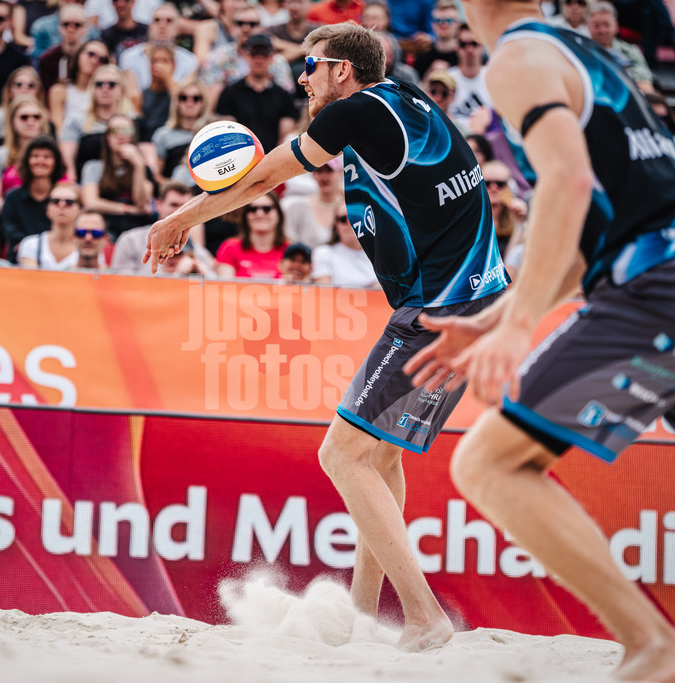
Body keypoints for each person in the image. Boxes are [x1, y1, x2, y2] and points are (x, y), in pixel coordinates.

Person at [403, 4, 675, 683]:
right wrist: (499, 319)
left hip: (668, 282)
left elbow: (570, 186)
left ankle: (652, 645)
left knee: (489, 463)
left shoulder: (518, 58)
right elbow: (588, 237)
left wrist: (518, 330)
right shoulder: (581, 50)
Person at [145, 22, 506, 650]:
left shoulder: (359, 111)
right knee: (378, 456)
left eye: (308, 66)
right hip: (476, 300)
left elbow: (262, 180)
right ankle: (362, 618)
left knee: (340, 455)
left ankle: (424, 615)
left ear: (342, 69)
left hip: (442, 310)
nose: (301, 78)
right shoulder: (405, 100)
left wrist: (176, 219)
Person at [215, 33, 299, 154]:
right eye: (254, 54)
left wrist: (273, 160)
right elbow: (228, 132)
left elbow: (285, 136)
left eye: (264, 54)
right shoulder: (230, 93)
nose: (259, 59)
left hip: (273, 159)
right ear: (246, 56)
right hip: (241, 158)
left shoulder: (283, 95)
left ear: (271, 57)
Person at [80, 113, 155, 238]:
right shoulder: (93, 167)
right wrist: (129, 209)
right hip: (105, 231)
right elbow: (91, 202)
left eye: (126, 130)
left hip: (137, 230)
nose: (121, 135)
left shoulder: (143, 168)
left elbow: (141, 202)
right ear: (107, 136)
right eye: (115, 130)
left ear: (133, 135)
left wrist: (138, 166)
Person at [199, 3, 295, 102]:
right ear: (231, 28)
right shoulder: (217, 58)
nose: (246, 28)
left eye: (252, 24)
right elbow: (208, 99)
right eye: (240, 23)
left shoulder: (277, 61)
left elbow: (287, 99)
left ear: (262, 29)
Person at [0, 135, 66, 259]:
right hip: (20, 261)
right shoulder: (12, 198)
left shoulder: (63, 198)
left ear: (56, 162)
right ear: (27, 161)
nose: (40, 161)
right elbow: (11, 234)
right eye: (35, 156)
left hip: (57, 259)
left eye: (47, 157)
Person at [110, 180, 195, 274]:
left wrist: (201, 275)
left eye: (185, 207)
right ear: (158, 204)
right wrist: (170, 276)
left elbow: (210, 277)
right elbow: (120, 282)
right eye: (174, 205)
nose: (179, 211)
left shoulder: (193, 245)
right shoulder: (130, 240)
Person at [0, 96, 52, 215]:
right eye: (24, 117)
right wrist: (16, 217)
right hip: (9, 220)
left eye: (36, 117)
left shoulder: (53, 155)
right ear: (12, 121)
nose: (30, 121)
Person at [118, 3, 199, 93]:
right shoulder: (129, 57)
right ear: (149, 26)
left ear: (177, 28)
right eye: (157, 20)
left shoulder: (189, 61)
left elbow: (187, 100)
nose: (162, 25)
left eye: (169, 21)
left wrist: (168, 80)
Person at [214, 192, 289, 279]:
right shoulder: (230, 248)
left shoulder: (291, 250)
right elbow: (225, 287)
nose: (259, 214)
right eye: (253, 209)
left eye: (267, 209)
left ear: (279, 215)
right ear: (245, 216)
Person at [151, 79, 211, 184]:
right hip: (175, 192)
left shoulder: (211, 133)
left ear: (203, 102)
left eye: (196, 98)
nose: (189, 103)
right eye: (183, 98)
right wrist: (177, 189)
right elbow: (156, 176)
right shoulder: (163, 134)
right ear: (177, 101)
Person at [587, 0, 653, 94]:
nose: (602, 30)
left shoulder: (630, 51)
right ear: (588, 27)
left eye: (607, 25)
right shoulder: (581, 50)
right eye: (596, 26)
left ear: (616, 27)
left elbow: (645, 82)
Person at [311, 201, 378, 287]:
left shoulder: (381, 255)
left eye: (354, 218)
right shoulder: (323, 253)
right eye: (343, 219)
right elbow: (324, 293)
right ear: (336, 225)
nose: (349, 224)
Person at [0, 66, 46, 152]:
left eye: (31, 85)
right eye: (18, 84)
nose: (24, 89)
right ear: (9, 90)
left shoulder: (45, 119)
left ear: (39, 90)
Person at [17, 182, 83, 269]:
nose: (61, 205)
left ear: (80, 209)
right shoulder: (31, 244)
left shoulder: (88, 247)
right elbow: (30, 280)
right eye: (55, 201)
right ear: (47, 208)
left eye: (69, 202)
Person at [280, 157, 343, 247]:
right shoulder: (297, 207)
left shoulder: (349, 207)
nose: (324, 177)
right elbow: (290, 244)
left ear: (340, 172)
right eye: (319, 171)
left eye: (329, 171)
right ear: (313, 175)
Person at [38, 4, 93, 94]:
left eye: (77, 25)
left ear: (86, 28)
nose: (71, 29)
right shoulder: (47, 60)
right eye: (66, 24)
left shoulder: (94, 57)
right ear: (59, 27)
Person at [446, 24, 492, 130]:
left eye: (474, 43)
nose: (469, 49)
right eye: (463, 44)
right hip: (456, 137)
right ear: (456, 47)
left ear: (482, 45)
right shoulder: (447, 78)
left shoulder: (492, 77)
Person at [413, 0, 460, 77]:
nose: (443, 24)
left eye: (449, 20)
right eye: (438, 20)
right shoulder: (422, 59)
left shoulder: (466, 55)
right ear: (432, 24)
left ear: (458, 24)